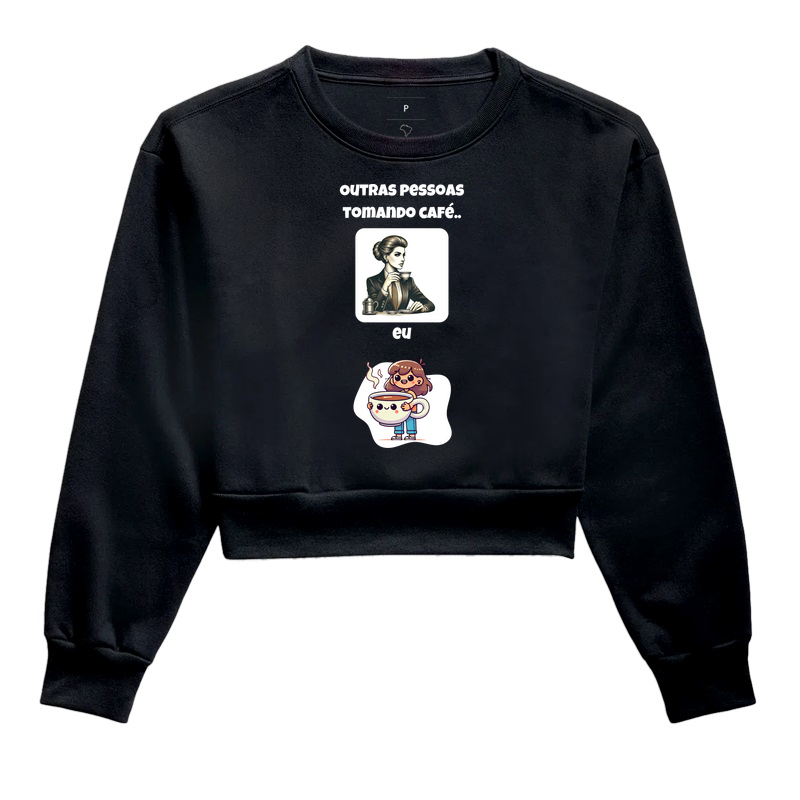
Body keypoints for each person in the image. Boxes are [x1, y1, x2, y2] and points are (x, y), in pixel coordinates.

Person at [366, 235, 435, 313]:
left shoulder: (408, 281)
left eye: (403, 255)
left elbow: (429, 304)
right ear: (385, 257)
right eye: (397, 255)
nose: (402, 259)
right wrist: (385, 287)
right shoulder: (372, 281)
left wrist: (423, 308)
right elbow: (375, 309)